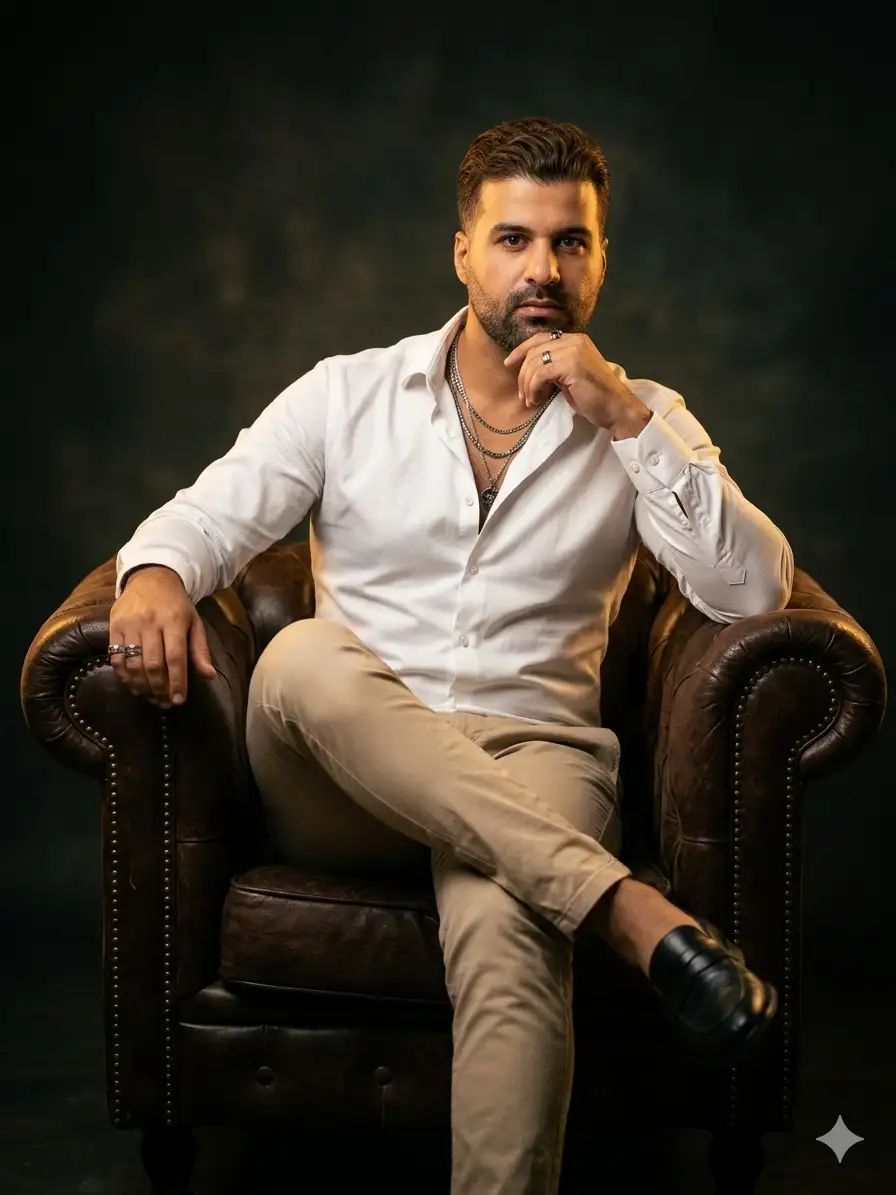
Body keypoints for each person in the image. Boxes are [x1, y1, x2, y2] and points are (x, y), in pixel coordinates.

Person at [109, 116, 793, 1195]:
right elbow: (205, 520)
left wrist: (620, 417)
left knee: (514, 935)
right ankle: (630, 913)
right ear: (462, 252)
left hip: (536, 756)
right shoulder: (348, 394)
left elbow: (752, 591)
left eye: (571, 243)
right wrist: (151, 575)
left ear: (600, 260)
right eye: (514, 239)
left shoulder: (643, 417)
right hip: (344, 777)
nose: (543, 268)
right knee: (300, 663)